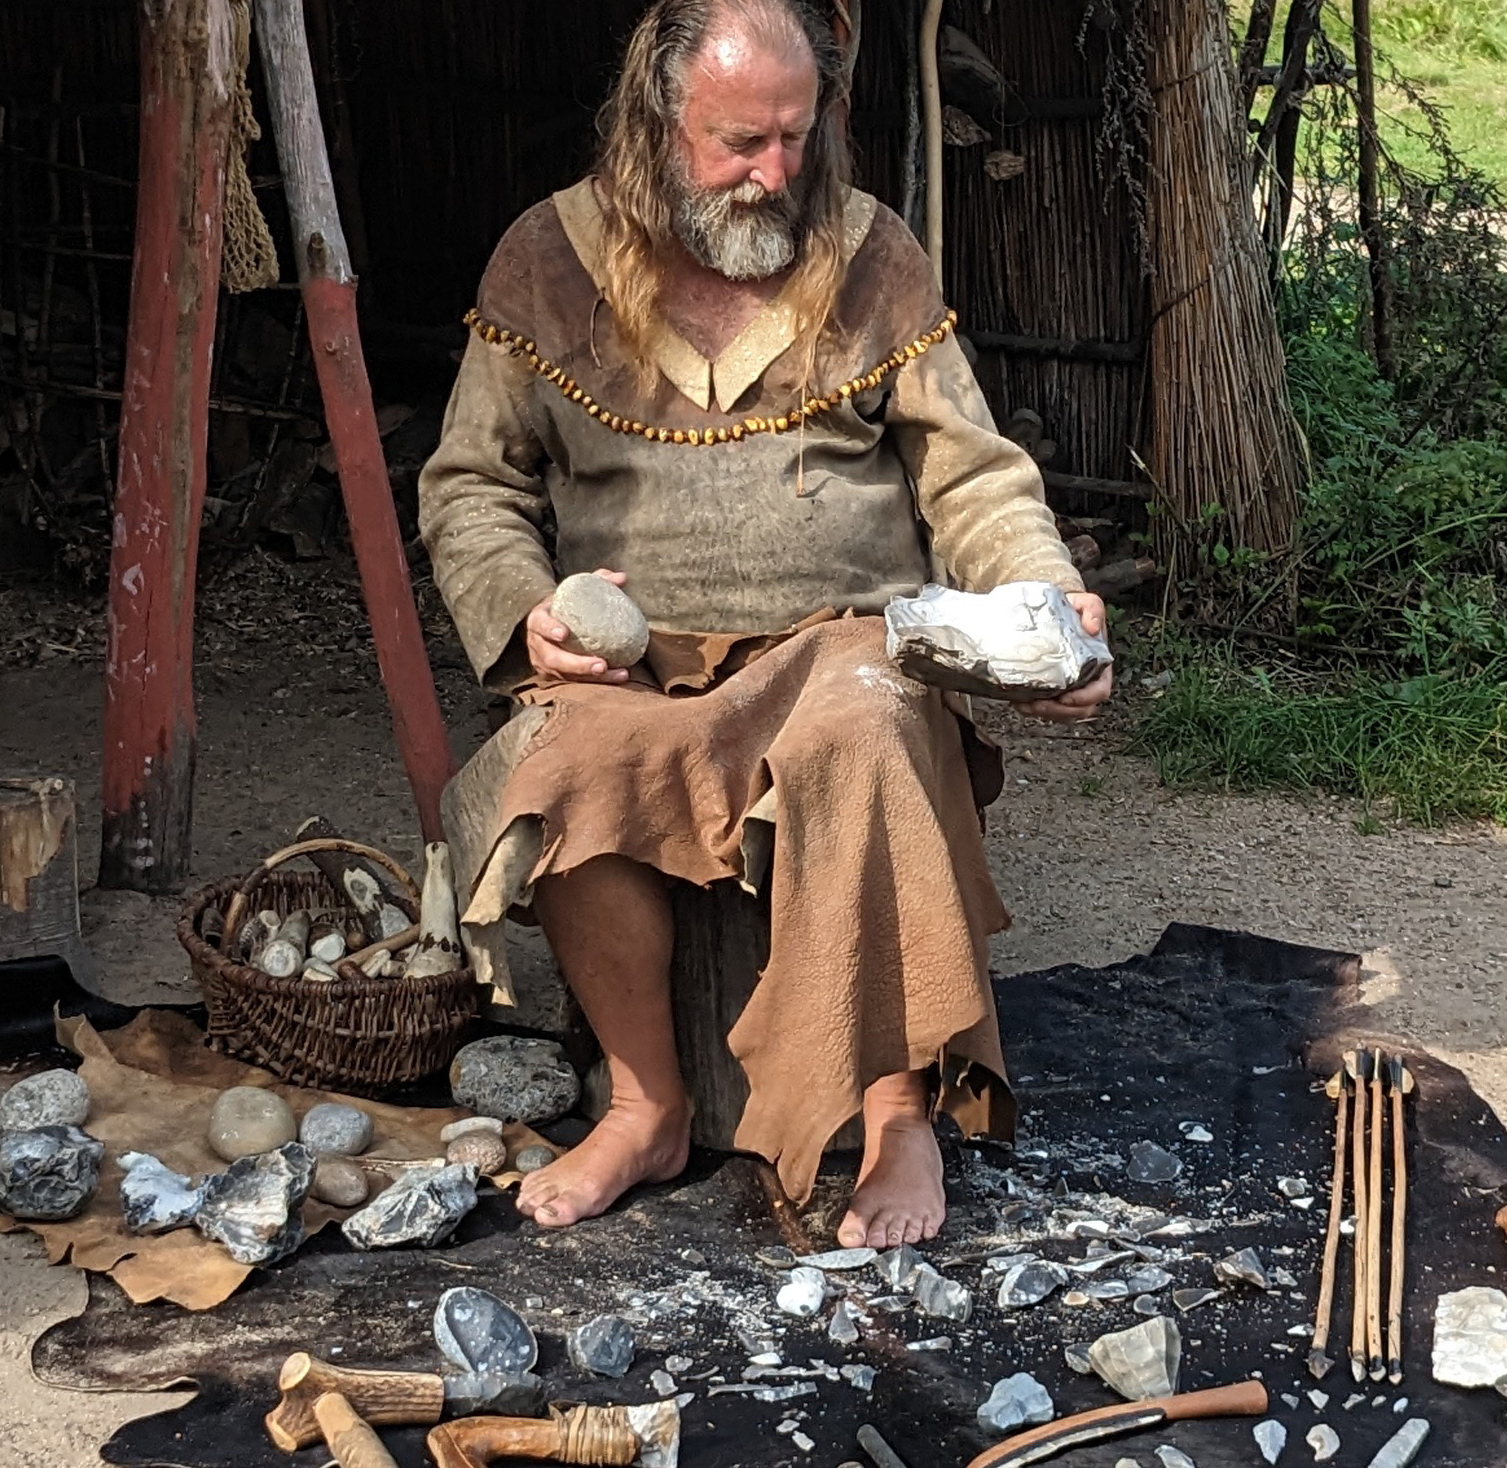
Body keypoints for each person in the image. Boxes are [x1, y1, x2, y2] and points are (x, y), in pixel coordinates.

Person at [417, 0, 1113, 1249]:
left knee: (869, 731)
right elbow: (473, 482)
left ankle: (900, 1114)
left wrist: (1043, 596)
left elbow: (974, 477)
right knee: (559, 759)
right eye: (740, 141)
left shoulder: (870, 252)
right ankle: (647, 1103)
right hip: (638, 659)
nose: (775, 173)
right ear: (655, 123)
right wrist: (527, 613)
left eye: (796, 136)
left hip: (840, 641)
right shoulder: (548, 257)